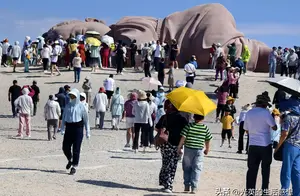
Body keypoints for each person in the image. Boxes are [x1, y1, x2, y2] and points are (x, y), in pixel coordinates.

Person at [243, 94, 277, 194]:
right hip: (265, 145)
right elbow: (274, 127)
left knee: (252, 170)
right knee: (265, 170)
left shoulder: (249, 113)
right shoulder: (266, 113)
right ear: (265, 104)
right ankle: (264, 192)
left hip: (253, 145)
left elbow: (246, 129)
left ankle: (250, 192)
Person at [156, 100, 188, 193]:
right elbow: (185, 132)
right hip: (176, 144)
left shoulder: (164, 116)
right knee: (172, 165)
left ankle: (165, 182)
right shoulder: (182, 118)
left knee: (165, 162)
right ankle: (168, 185)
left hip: (164, 144)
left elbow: (157, 127)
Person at [177, 114, 212, 194]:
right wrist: (207, 149)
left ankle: (186, 186)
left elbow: (183, 137)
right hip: (199, 150)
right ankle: (194, 187)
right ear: (203, 118)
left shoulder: (189, 126)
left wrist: (179, 147)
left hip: (188, 149)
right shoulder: (205, 127)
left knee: (187, 167)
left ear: (193, 117)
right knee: (197, 168)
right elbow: (208, 139)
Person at [61, 88, 90, 175]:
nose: (72, 97)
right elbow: (63, 118)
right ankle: (70, 159)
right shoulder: (68, 105)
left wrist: (88, 131)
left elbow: (86, 120)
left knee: (76, 148)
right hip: (69, 128)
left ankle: (74, 166)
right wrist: (62, 128)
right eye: (71, 96)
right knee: (65, 147)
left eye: (73, 96)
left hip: (78, 128)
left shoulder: (82, 106)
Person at [277, 110, 300, 196]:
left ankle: (284, 193)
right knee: (296, 171)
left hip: (290, 145)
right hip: (298, 146)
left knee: (286, 171)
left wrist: (278, 147)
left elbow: (284, 133)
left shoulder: (288, 117)